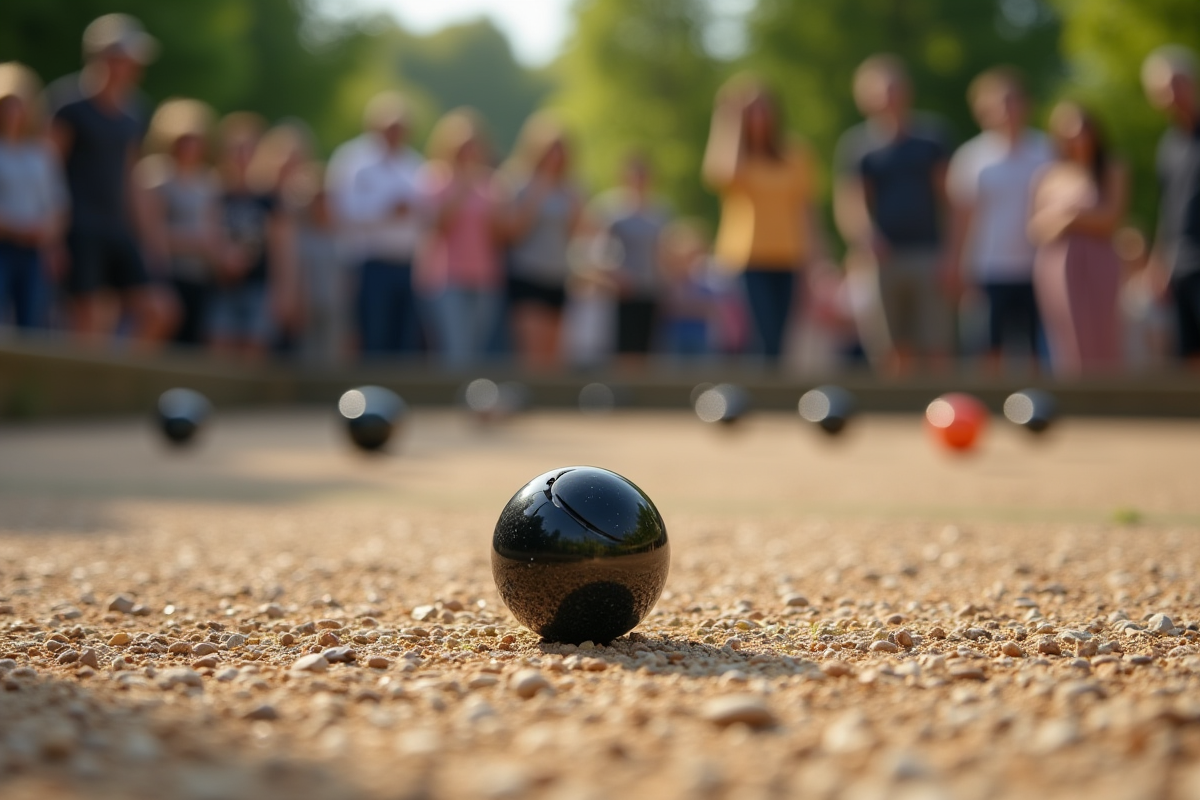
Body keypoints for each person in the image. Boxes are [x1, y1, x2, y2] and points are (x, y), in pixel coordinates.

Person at [49, 13, 174, 345]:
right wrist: (53, 239)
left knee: (161, 309)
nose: (135, 67)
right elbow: (49, 171)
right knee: (87, 321)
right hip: (77, 228)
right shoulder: (67, 104)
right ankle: (83, 395)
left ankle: (117, 387)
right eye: (128, 59)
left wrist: (150, 240)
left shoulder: (135, 110)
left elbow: (132, 179)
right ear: (106, 56)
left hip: (116, 230)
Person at [834, 55, 953, 375]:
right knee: (891, 346)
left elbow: (948, 197)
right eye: (880, 90)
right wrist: (865, 237)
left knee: (936, 340)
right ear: (865, 98)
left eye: (894, 87)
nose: (888, 96)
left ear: (907, 91)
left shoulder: (932, 137)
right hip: (882, 260)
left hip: (929, 253)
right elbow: (850, 201)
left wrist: (952, 252)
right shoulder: (858, 145)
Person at [702, 75, 825, 367]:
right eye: (751, 110)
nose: (759, 115)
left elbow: (807, 210)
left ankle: (775, 402)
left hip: (789, 257)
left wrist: (816, 261)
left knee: (780, 339)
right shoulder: (739, 156)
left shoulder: (796, 154)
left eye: (764, 107)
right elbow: (724, 175)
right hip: (746, 259)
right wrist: (729, 118)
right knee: (760, 336)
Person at [947, 67, 1054, 371]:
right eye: (999, 102)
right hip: (987, 269)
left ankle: (1034, 409)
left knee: (1037, 348)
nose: (1007, 108)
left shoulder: (1046, 151)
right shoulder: (971, 157)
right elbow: (961, 217)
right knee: (989, 348)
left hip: (1037, 267)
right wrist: (955, 264)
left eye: (1013, 100)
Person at [1028, 102, 1127, 377]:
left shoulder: (1111, 169)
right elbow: (1035, 228)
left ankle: (1108, 394)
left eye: (1083, 130)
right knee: (1066, 330)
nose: (1077, 137)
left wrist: (1070, 217)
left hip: (1099, 259)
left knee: (1102, 327)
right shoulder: (1048, 176)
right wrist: (1070, 219)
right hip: (1056, 264)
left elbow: (1111, 218)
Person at [326, 92, 425, 359]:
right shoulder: (353, 160)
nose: (395, 133)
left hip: (407, 264)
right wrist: (386, 211)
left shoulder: (413, 163)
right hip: (369, 263)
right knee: (374, 336)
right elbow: (341, 210)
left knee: (403, 341)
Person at [418, 108, 505, 369]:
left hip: (484, 276)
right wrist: (463, 187)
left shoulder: (491, 183)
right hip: (446, 278)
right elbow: (438, 226)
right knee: (456, 348)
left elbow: (500, 234)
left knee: (477, 347)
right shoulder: (435, 179)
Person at [137, 98, 223, 347]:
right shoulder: (155, 176)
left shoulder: (209, 182)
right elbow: (151, 232)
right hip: (165, 274)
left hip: (199, 277)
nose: (191, 146)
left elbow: (212, 231)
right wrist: (196, 243)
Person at [210, 112, 295, 360]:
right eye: (236, 150)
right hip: (223, 286)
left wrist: (284, 293)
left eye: (248, 150)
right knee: (218, 345)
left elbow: (282, 250)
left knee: (255, 350)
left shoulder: (268, 199)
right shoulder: (216, 193)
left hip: (259, 287)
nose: (242, 157)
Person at [502, 112, 584, 371]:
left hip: (558, 275)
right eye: (551, 149)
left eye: (561, 149)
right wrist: (537, 194)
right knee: (532, 355)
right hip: (528, 273)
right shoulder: (519, 182)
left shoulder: (570, 189)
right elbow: (512, 231)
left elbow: (574, 234)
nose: (556, 155)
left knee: (555, 357)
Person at [1142, 46, 1200, 367]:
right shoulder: (1168, 145)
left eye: (1178, 83)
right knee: (1187, 354)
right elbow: (1169, 208)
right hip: (1180, 266)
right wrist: (1157, 263)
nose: (1172, 93)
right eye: (1163, 87)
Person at [0, 63, 66, 331]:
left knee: (33, 323)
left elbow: (57, 203)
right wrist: (17, 228)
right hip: (3, 246)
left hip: (35, 252)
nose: (14, 112)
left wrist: (50, 237)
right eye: (8, 104)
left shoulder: (42, 153)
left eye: (20, 104)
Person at [590, 154, 668, 370]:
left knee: (646, 347)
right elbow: (599, 250)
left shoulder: (659, 211)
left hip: (650, 287)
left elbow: (661, 251)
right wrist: (615, 275)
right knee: (622, 346)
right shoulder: (611, 210)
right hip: (622, 290)